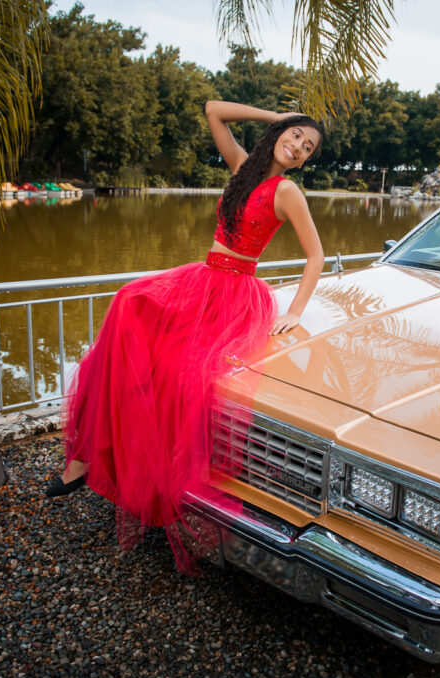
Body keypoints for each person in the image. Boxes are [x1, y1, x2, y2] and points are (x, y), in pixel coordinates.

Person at [46, 100, 325, 573]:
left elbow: (315, 256)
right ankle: (85, 459)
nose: (299, 146)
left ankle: (169, 491)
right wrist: (272, 117)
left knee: (184, 379)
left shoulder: (287, 191)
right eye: (296, 135)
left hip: (235, 294)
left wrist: (294, 313)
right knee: (128, 307)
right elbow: (213, 110)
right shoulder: (242, 167)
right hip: (201, 279)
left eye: (308, 147)